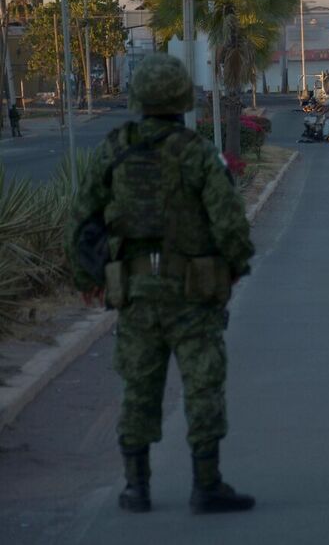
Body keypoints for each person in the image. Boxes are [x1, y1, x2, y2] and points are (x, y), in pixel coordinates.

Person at [67, 54, 256, 515]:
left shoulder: (115, 149)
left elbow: (82, 216)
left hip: (135, 295)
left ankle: (136, 488)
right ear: (181, 100)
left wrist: (86, 277)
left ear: (137, 100)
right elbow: (228, 219)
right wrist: (234, 266)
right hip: (192, 295)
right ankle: (206, 485)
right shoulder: (195, 152)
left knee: (138, 387)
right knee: (203, 385)